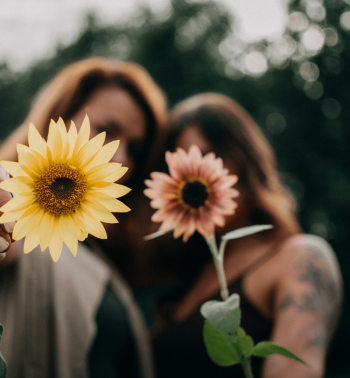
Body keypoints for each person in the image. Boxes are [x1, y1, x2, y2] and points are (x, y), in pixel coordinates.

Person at [148, 93, 342, 378]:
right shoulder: (184, 280)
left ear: (245, 159)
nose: (196, 177)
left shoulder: (298, 258)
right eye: (178, 169)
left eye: (211, 157)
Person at [0, 57, 167, 378]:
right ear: (58, 116)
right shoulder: (12, 204)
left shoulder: (97, 251)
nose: (119, 158)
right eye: (106, 130)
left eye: (134, 149)